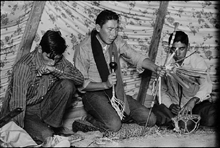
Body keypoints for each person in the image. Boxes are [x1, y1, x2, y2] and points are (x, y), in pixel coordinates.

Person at [73, 9, 166, 132]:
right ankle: (88, 121)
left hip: (115, 92)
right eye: (110, 29)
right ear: (98, 28)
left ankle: (113, 114)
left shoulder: (116, 41)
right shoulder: (84, 48)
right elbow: (81, 84)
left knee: (150, 119)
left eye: (116, 29)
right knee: (114, 126)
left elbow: (136, 57)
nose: (114, 34)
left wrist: (155, 68)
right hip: (93, 94)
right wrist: (105, 84)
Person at [0, 30, 84, 145]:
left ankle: (54, 128)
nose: (52, 62)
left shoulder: (55, 58)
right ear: (40, 49)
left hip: (44, 105)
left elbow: (80, 79)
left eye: (57, 59)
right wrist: (19, 135)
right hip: (27, 112)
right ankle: (45, 133)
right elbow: (18, 105)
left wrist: (56, 71)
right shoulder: (24, 67)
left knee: (68, 85)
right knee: (48, 137)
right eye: (49, 58)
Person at [152, 31, 216, 129]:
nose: (177, 53)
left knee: (212, 116)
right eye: (174, 49)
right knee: (156, 112)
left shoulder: (197, 61)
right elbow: (161, 91)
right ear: (169, 48)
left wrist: (193, 101)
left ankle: (184, 121)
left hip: (195, 105)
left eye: (181, 49)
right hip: (175, 108)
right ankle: (180, 121)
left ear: (188, 46)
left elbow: (206, 85)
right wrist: (170, 105)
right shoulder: (164, 63)